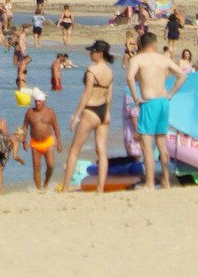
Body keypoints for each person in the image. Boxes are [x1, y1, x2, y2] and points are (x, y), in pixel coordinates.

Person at [126, 30, 183, 191]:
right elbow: (181, 75)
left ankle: (150, 183)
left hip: (149, 102)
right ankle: (166, 181)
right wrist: (171, 93)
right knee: (162, 145)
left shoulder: (137, 59)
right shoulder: (163, 59)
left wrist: (136, 98)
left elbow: (130, 77)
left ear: (141, 45)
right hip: (163, 101)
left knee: (147, 145)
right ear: (155, 44)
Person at [57, 39, 116, 193]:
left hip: (91, 110)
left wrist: (76, 116)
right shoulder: (110, 72)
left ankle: (66, 188)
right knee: (102, 152)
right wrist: (107, 113)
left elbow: (86, 94)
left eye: (93, 51)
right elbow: (109, 96)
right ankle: (100, 188)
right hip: (104, 112)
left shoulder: (92, 70)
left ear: (100, 53)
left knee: (74, 150)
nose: (90, 53)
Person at [21, 90, 60, 191]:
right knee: (36, 167)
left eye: (39, 101)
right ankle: (39, 189)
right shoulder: (30, 112)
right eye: (36, 101)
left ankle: (46, 184)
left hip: (48, 142)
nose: (37, 103)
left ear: (44, 102)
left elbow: (56, 127)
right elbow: (25, 127)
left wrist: (59, 142)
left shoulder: (50, 112)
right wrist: (24, 141)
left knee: (51, 165)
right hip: (35, 144)